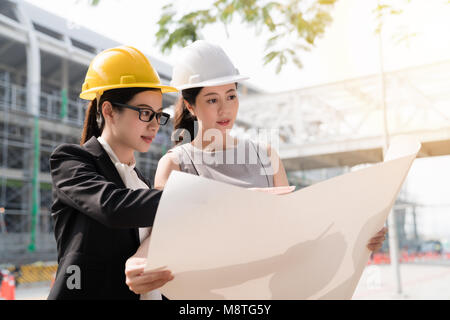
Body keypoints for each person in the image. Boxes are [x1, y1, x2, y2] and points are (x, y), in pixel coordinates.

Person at [125, 40, 387, 297]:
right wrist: (137, 261)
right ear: (191, 106)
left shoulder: (266, 156)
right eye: (212, 100)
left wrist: (360, 233)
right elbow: (162, 236)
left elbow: (293, 229)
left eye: (231, 95)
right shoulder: (176, 164)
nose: (226, 108)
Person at [47, 46, 177, 300]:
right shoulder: (71, 161)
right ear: (108, 111)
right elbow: (111, 207)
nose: (153, 124)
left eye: (158, 116)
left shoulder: (141, 184)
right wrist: (196, 197)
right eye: (144, 112)